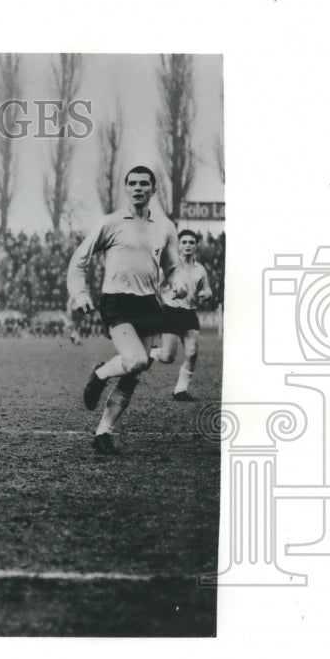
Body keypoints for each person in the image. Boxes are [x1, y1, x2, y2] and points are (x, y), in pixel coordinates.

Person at [67, 166, 185, 455]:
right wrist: (80, 293)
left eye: (144, 183)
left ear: (153, 189)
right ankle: (100, 374)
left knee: (135, 371)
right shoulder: (111, 223)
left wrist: (179, 283)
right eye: (132, 183)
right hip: (116, 301)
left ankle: (103, 433)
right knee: (134, 360)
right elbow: (79, 259)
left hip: (147, 303)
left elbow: (172, 267)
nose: (138, 188)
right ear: (125, 188)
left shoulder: (165, 227)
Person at [148, 229, 213, 401]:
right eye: (184, 242)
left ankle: (180, 390)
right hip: (171, 311)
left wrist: (206, 294)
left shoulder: (200, 269)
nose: (188, 246)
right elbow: (155, 285)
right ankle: (152, 354)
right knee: (168, 357)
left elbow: (206, 289)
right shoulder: (171, 268)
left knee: (192, 352)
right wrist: (164, 297)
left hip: (190, 312)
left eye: (191, 242)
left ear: (196, 246)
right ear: (179, 245)